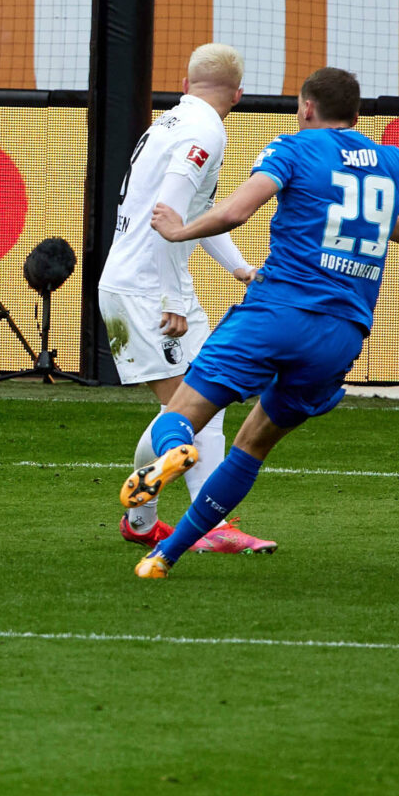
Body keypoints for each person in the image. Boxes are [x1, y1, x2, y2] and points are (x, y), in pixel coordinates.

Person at [125, 67, 399, 578]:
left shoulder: (292, 148)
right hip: (342, 333)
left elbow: (234, 213)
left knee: (180, 416)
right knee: (251, 446)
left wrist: (181, 231)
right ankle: (164, 555)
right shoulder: (395, 163)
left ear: (307, 108)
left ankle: (175, 453)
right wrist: (372, 225)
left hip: (276, 312)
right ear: (357, 116)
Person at [96, 43, 273, 555]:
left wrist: (238, 268)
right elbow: (167, 212)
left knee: (194, 409)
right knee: (195, 410)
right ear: (238, 95)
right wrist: (171, 298)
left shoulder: (171, 122)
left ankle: (141, 519)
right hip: (149, 290)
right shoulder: (205, 130)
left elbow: (197, 209)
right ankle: (213, 528)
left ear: (185, 82)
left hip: (144, 283)